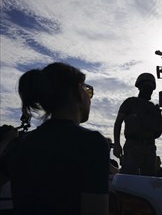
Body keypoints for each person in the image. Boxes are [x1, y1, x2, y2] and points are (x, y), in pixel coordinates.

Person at [0, 62, 110, 215]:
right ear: (78, 91)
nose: (89, 97)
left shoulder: (20, 145)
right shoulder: (92, 143)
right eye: (87, 90)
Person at [113, 73, 162, 176]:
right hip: (132, 146)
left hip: (149, 148)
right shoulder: (130, 102)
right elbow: (118, 122)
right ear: (140, 87)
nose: (149, 90)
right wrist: (117, 143)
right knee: (128, 177)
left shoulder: (153, 108)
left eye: (151, 88)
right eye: (146, 87)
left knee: (148, 181)